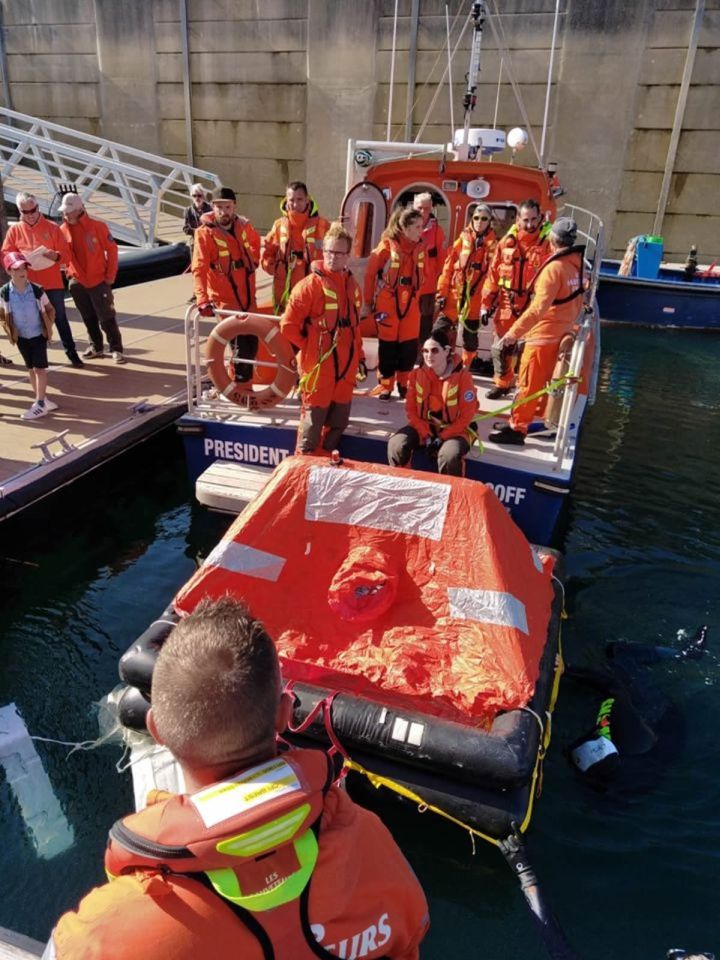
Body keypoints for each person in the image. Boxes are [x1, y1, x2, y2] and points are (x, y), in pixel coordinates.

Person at [44, 596, 429, 959]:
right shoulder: (369, 842)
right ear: (283, 715)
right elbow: (411, 937)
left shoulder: (104, 933)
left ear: (156, 729)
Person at [566, 625, 708, 791]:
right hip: (664, 720)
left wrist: (566, 671)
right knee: (618, 653)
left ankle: (686, 654)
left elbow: (614, 689)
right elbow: (615, 688)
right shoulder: (634, 739)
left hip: (653, 745)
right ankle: (688, 653)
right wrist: (567, 670)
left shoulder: (611, 780)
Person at [488, 217, 585, 446]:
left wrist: (512, 333)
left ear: (553, 239)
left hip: (543, 335)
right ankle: (536, 421)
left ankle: (517, 428)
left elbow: (537, 309)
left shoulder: (554, 269)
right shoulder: (577, 265)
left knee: (528, 383)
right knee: (541, 385)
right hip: (561, 333)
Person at [280, 222, 364, 455]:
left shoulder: (353, 287)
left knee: (338, 424)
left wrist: (361, 358)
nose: (332, 257)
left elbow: (355, 327)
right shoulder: (308, 287)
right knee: (311, 428)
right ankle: (304, 467)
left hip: (345, 371)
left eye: (338, 253)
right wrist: (310, 347)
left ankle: (325, 460)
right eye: (328, 251)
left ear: (348, 255)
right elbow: (287, 326)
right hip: (318, 370)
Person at [2, 191, 83, 368]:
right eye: (25, 212)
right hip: (27, 285)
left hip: (52, 282)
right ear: (19, 211)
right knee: (33, 321)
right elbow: (6, 255)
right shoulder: (15, 230)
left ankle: (72, 352)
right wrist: (19, 258)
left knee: (60, 317)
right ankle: (39, 360)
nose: (30, 215)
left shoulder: (52, 227)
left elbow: (67, 256)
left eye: (33, 210)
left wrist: (54, 256)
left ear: (38, 207)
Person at [480, 198, 551, 399]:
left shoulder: (548, 244)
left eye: (533, 220)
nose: (529, 225)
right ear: (518, 219)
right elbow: (493, 276)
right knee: (501, 348)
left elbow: (559, 272)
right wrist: (485, 306)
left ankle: (525, 389)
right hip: (507, 304)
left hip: (534, 306)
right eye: (525, 220)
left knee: (529, 351)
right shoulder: (506, 243)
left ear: (540, 218)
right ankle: (502, 384)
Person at [192, 186, 261, 383]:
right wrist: (202, 299)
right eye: (219, 208)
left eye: (227, 207)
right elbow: (199, 268)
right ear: (213, 208)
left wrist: (253, 261)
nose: (224, 212)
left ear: (234, 207)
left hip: (248, 299)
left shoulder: (244, 226)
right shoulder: (205, 234)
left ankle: (236, 381)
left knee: (253, 344)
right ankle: (241, 389)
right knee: (242, 350)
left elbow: (256, 244)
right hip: (226, 302)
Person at [388, 328, 478, 476]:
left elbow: (467, 416)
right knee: (396, 444)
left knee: (449, 456)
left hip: (458, 430)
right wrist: (426, 434)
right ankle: (402, 481)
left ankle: (451, 493)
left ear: (447, 351)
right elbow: (411, 410)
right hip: (425, 429)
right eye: (425, 351)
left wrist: (443, 437)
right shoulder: (416, 376)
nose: (429, 355)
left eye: (435, 351)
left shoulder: (463, 378)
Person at [362, 207, 425, 400]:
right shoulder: (385, 248)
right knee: (388, 346)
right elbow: (370, 276)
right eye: (417, 227)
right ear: (404, 227)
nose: (421, 231)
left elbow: (425, 276)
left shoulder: (418, 248)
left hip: (411, 301)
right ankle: (386, 386)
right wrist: (368, 303)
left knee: (408, 346)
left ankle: (403, 383)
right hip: (388, 301)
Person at [59, 193, 125, 364]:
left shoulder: (98, 227)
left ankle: (116, 348)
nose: (66, 214)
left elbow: (112, 250)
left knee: (107, 316)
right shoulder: (62, 230)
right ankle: (96, 346)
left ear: (79, 209)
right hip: (77, 281)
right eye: (65, 211)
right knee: (88, 317)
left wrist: (110, 275)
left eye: (69, 211)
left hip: (98, 280)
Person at [435, 204, 497, 367]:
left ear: (489, 221)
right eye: (476, 218)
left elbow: (494, 278)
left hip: (476, 299)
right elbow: (447, 268)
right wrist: (441, 293)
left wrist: (486, 305)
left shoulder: (494, 246)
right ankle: (437, 362)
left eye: (484, 218)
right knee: (438, 330)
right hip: (455, 294)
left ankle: (465, 366)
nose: (479, 222)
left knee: (470, 338)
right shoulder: (461, 240)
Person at [0, 252, 59, 420]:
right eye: (17, 268)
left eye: (24, 267)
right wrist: (11, 330)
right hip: (22, 338)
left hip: (38, 335)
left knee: (40, 369)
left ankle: (40, 404)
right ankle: (42, 398)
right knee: (30, 369)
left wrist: (47, 325)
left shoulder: (37, 290)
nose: (22, 271)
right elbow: (2, 315)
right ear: (9, 271)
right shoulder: (4, 293)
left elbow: (50, 309)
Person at [262, 181, 330, 313]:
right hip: (283, 286)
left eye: (299, 199)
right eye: (291, 200)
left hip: (311, 283)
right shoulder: (278, 225)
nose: (295, 204)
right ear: (286, 201)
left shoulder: (323, 225)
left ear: (307, 200)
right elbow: (268, 252)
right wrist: (272, 266)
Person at [412, 192, 446, 349]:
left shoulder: (437, 231)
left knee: (425, 323)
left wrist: (436, 281)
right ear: (414, 207)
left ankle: (421, 355)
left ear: (431, 208)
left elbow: (442, 260)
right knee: (407, 319)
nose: (423, 212)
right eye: (420, 208)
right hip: (409, 285)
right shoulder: (405, 228)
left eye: (426, 208)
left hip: (428, 287)